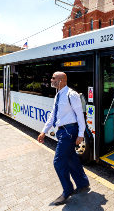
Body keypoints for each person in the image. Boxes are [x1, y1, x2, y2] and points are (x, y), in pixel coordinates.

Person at [37, 72, 89, 206]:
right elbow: (53, 115)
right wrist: (44, 131)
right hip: (62, 132)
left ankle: (67, 189)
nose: (51, 80)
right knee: (71, 157)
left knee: (58, 162)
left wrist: (81, 134)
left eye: (53, 78)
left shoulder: (71, 95)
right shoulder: (58, 95)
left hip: (69, 132)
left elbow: (80, 115)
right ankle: (83, 183)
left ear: (61, 80)